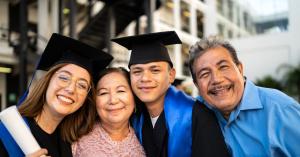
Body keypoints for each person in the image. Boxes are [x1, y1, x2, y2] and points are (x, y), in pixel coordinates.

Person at [112, 31, 229, 157]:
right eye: (137, 71)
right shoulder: (134, 119)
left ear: (171, 75)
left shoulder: (198, 115)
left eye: (155, 70)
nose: (145, 78)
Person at [0, 33, 113, 157]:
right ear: (47, 81)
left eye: (82, 85)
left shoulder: (71, 142)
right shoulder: (7, 131)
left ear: (86, 98)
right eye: (64, 78)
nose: (71, 89)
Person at [189, 36, 300, 156]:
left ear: (240, 69)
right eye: (204, 74)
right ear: (196, 84)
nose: (216, 79)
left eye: (223, 67)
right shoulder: (193, 114)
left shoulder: (281, 109)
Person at [72, 67, 145, 157]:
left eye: (120, 91)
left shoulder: (145, 140)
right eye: (103, 93)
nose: (113, 100)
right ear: (94, 101)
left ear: (134, 97)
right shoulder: (75, 138)